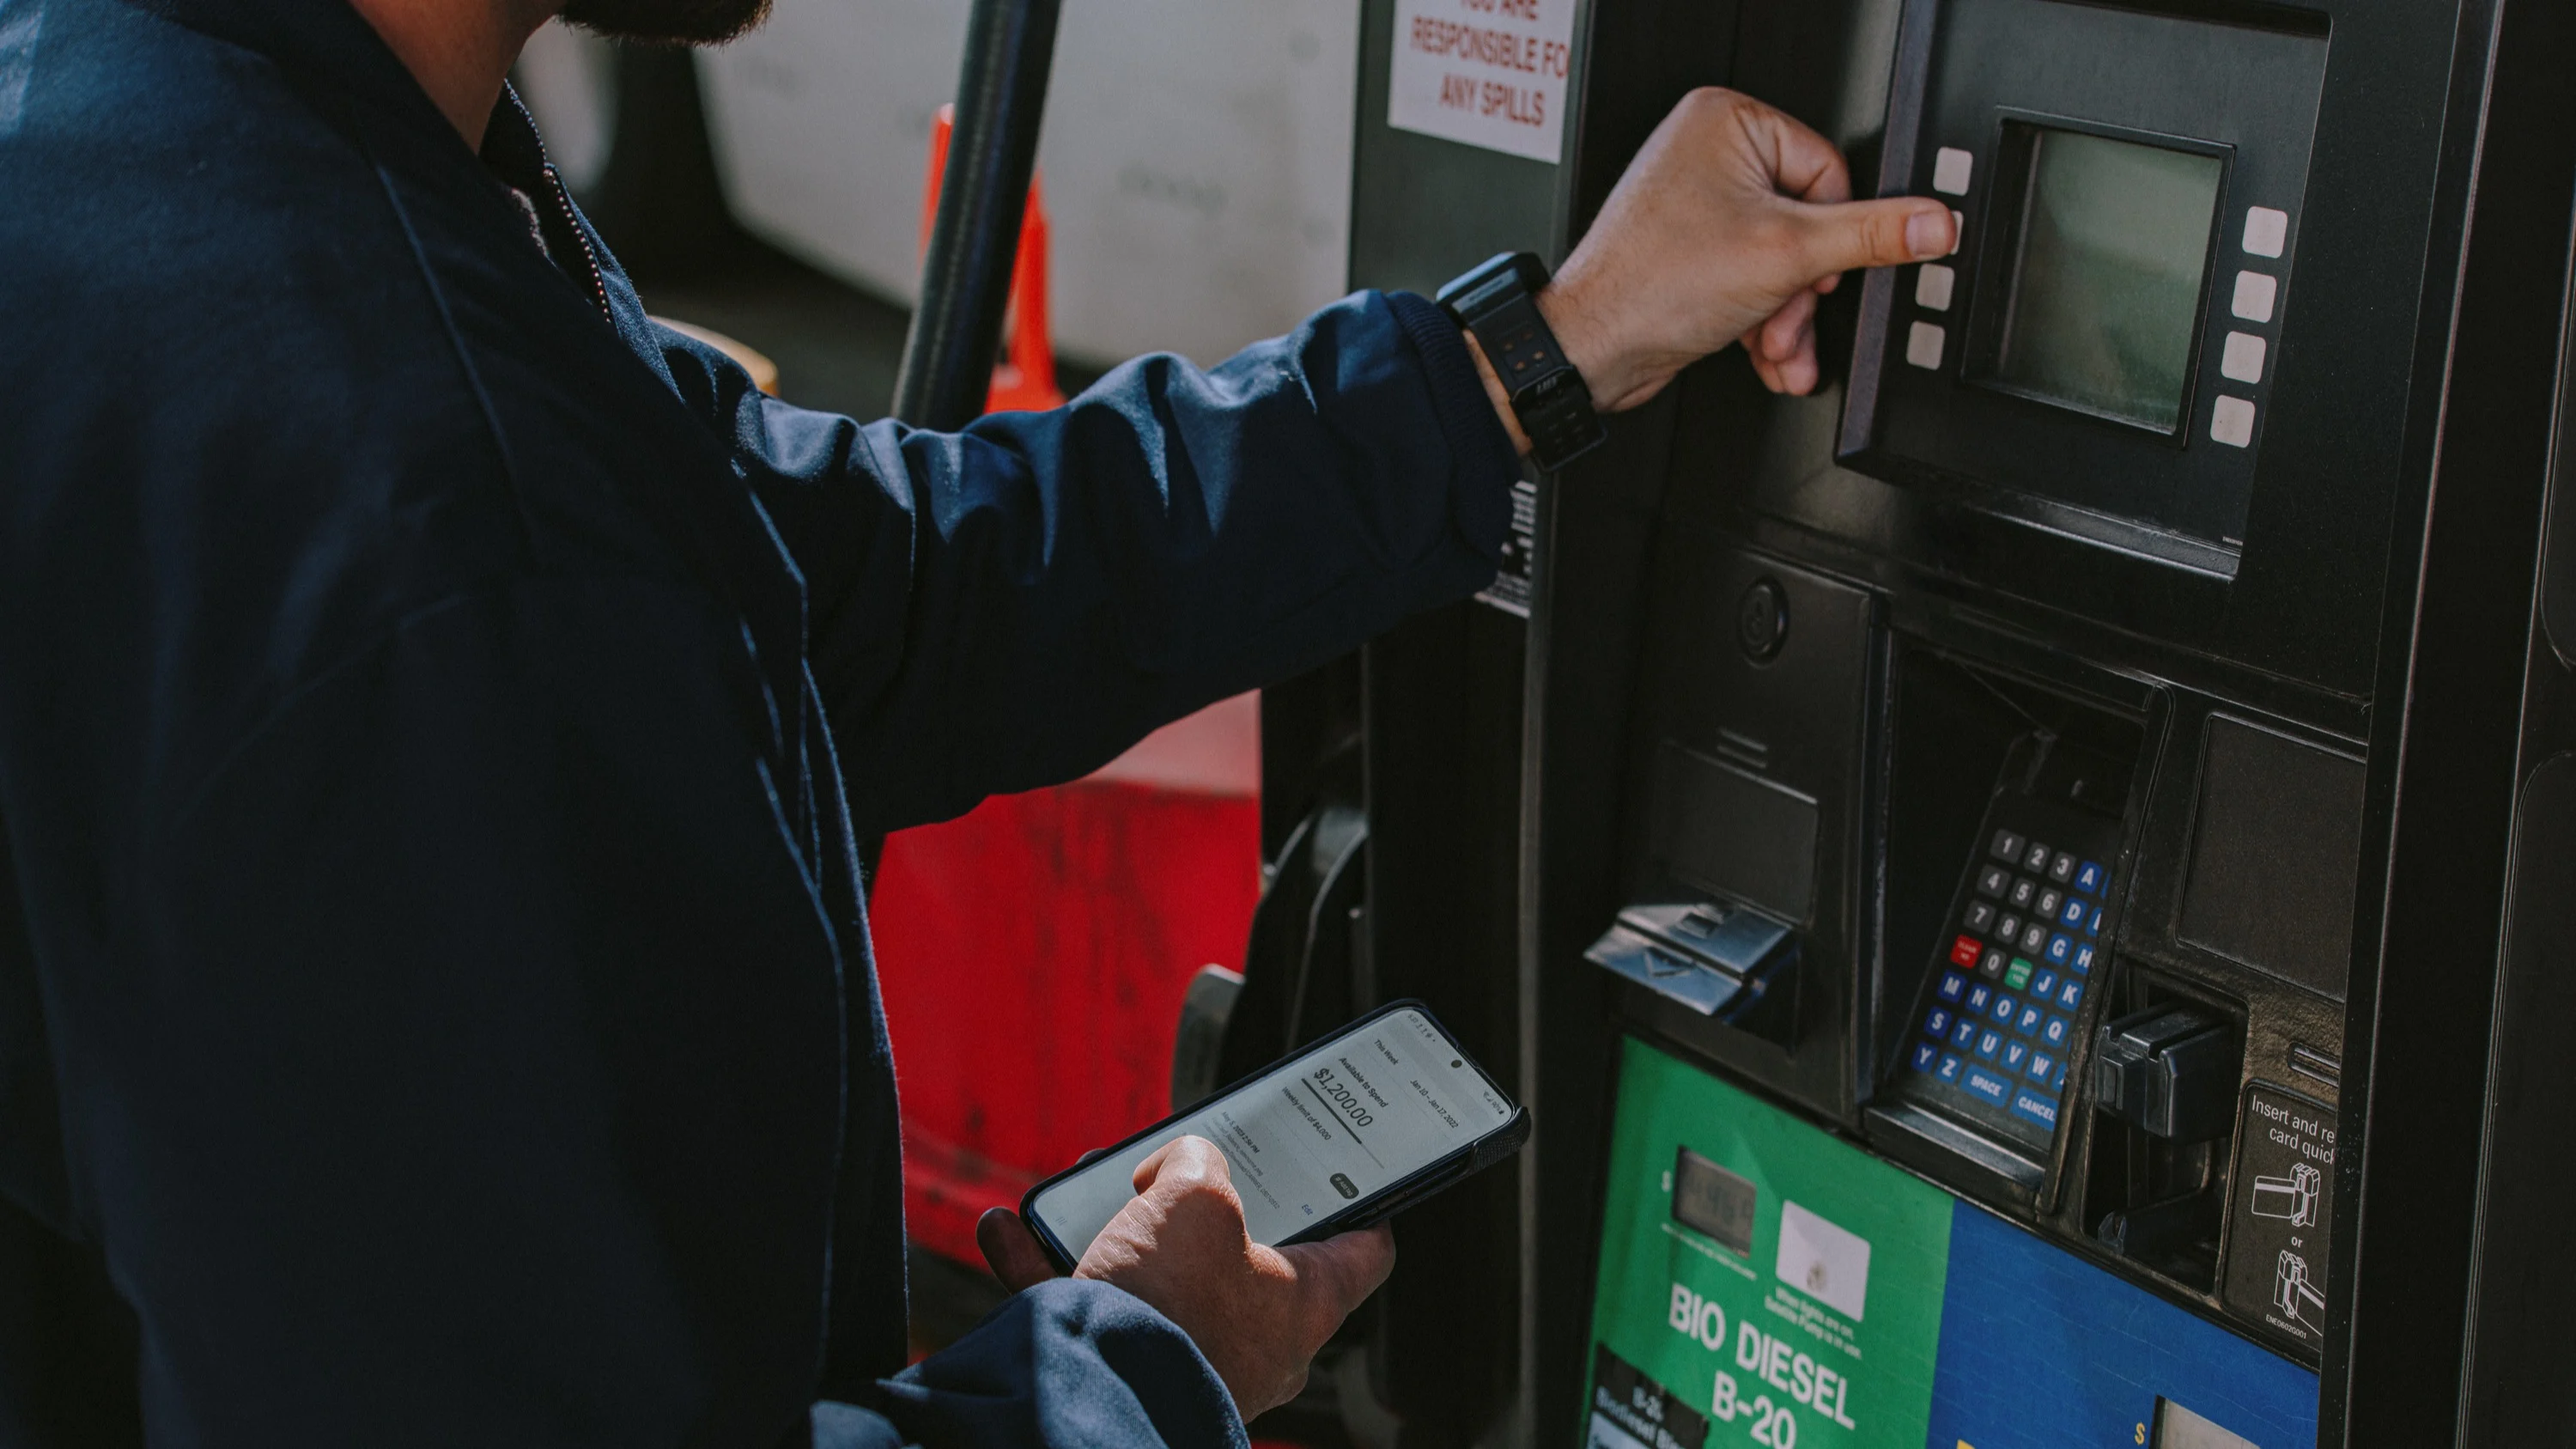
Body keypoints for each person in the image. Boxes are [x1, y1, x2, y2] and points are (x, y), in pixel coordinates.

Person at [0, 0, 1954, 1434]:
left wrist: (1532, 358)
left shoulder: (146, 128)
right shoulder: (450, 534)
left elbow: (877, 587)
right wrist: (1136, 1368)